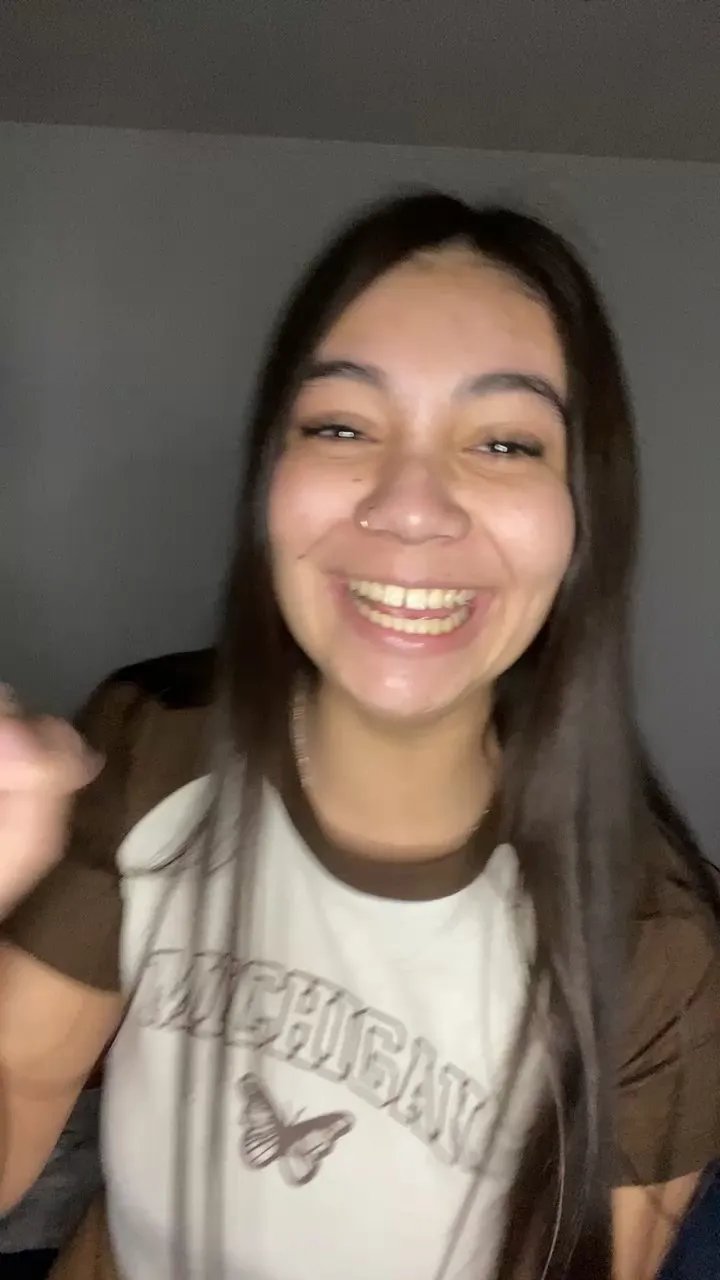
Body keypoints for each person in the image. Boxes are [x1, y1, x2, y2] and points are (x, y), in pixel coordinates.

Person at [1, 193, 719, 1280]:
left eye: (505, 442)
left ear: (582, 520)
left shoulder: (655, 945)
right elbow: (19, 1086)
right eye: (341, 425)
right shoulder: (153, 744)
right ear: (270, 475)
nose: (411, 505)